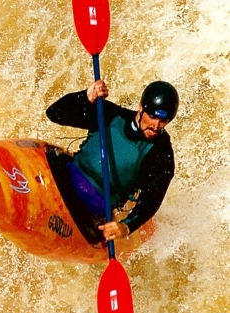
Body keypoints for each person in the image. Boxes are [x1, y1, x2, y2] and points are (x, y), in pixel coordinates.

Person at [45, 79, 179, 245]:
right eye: (151, 117)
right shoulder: (111, 115)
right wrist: (86, 97)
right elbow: (54, 113)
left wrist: (125, 227)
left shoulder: (161, 154)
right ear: (141, 107)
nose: (156, 125)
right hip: (65, 179)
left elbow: (151, 201)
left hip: (92, 209)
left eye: (163, 121)